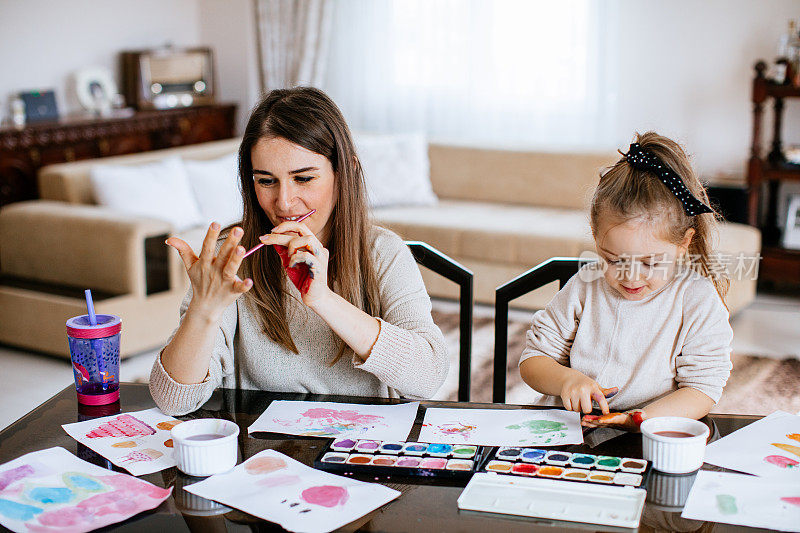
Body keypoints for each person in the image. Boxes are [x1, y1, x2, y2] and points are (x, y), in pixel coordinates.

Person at [150, 87, 448, 415]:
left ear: (343, 170)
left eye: (303, 178)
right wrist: (203, 310)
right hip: (262, 457)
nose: (284, 202)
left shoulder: (383, 253)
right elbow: (173, 401)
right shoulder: (231, 260)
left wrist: (323, 299)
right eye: (266, 181)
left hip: (359, 450)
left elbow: (429, 376)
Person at [518, 131, 733, 431]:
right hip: (567, 434)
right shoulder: (585, 286)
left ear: (684, 243)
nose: (631, 277)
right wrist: (566, 379)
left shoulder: (697, 300)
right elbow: (533, 362)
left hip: (650, 435)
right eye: (614, 259)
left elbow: (702, 390)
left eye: (650, 262)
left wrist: (640, 419)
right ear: (595, 235)